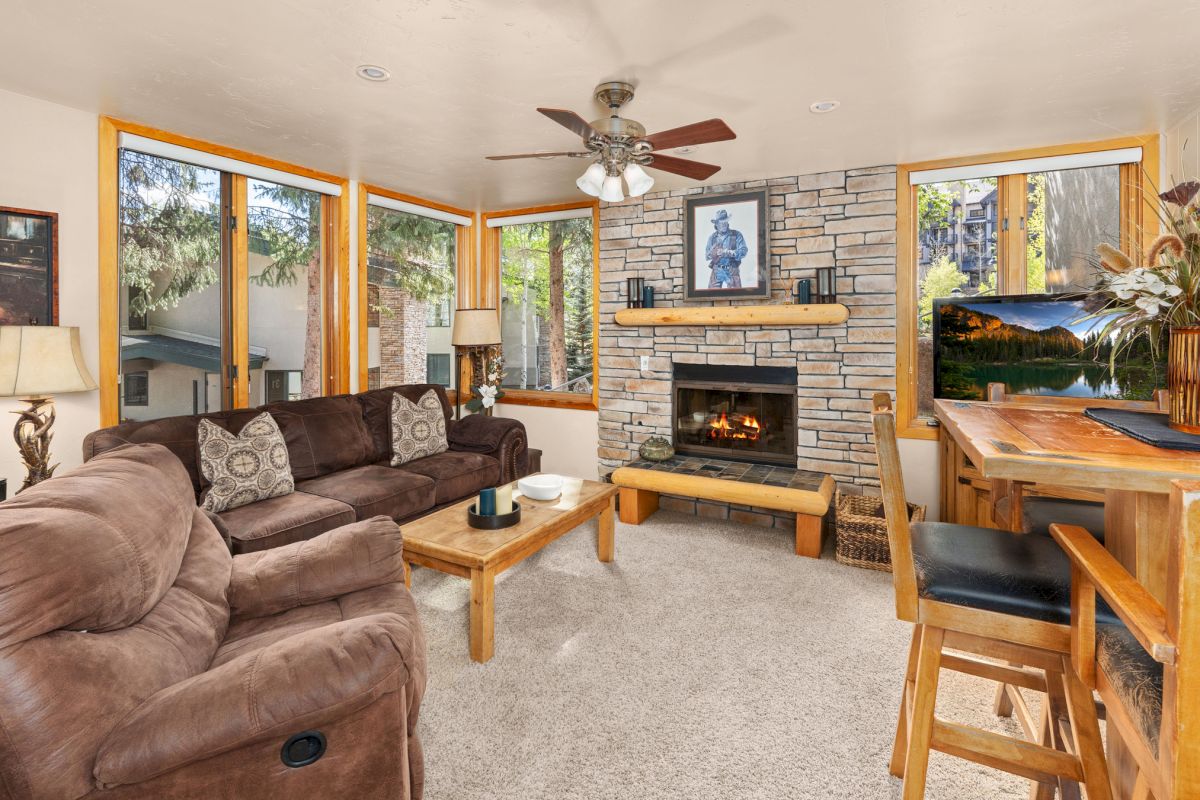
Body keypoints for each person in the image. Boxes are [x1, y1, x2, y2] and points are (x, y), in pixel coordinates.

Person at [704, 209, 749, 289]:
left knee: (736, 296)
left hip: (732, 269)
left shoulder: (736, 235)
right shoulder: (712, 237)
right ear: (716, 224)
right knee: (711, 295)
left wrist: (728, 252)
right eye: (721, 222)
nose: (724, 224)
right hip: (717, 270)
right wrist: (714, 252)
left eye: (725, 222)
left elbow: (744, 251)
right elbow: (707, 256)